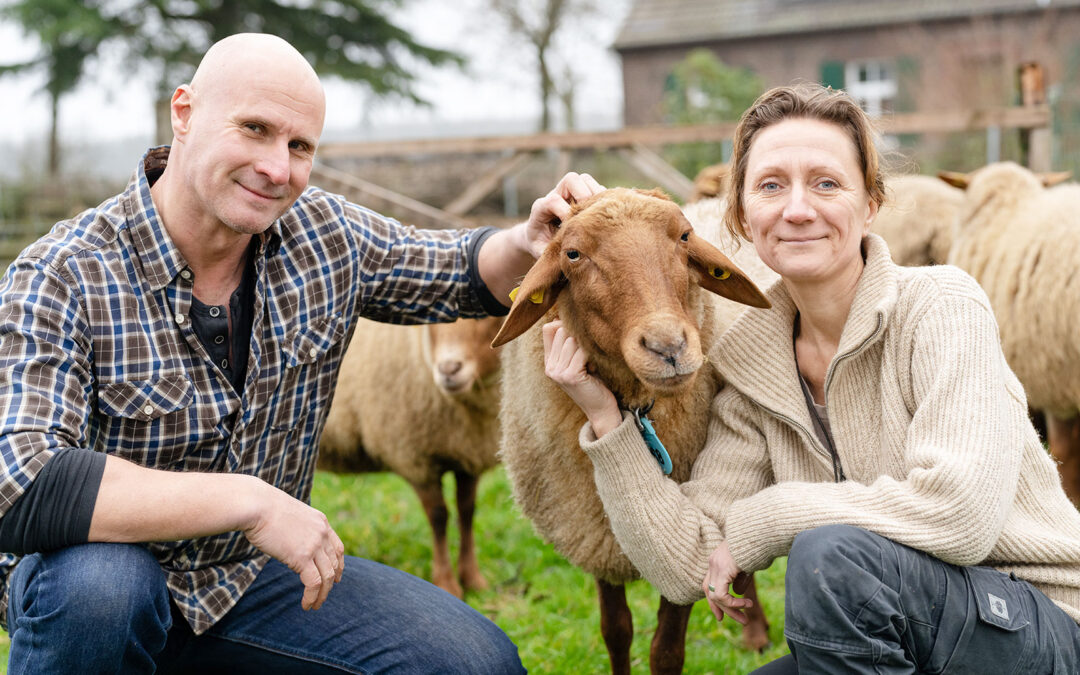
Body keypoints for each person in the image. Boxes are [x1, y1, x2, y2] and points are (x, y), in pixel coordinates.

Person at [0, 32, 603, 673]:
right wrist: (251, 501)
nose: (277, 169)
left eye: (299, 146)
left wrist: (528, 238)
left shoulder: (324, 236)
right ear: (183, 113)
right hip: (97, 585)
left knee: (476, 662)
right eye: (254, 129)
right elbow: (19, 482)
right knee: (103, 588)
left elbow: (458, 271)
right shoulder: (62, 273)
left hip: (248, 579)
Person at [543, 83, 1080, 674]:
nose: (798, 209)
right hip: (893, 627)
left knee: (831, 555)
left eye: (826, 183)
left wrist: (769, 518)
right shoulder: (752, 360)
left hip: (1030, 622)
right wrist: (606, 420)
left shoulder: (941, 306)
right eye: (771, 186)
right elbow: (687, 561)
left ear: (871, 203)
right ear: (742, 216)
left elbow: (959, 515)